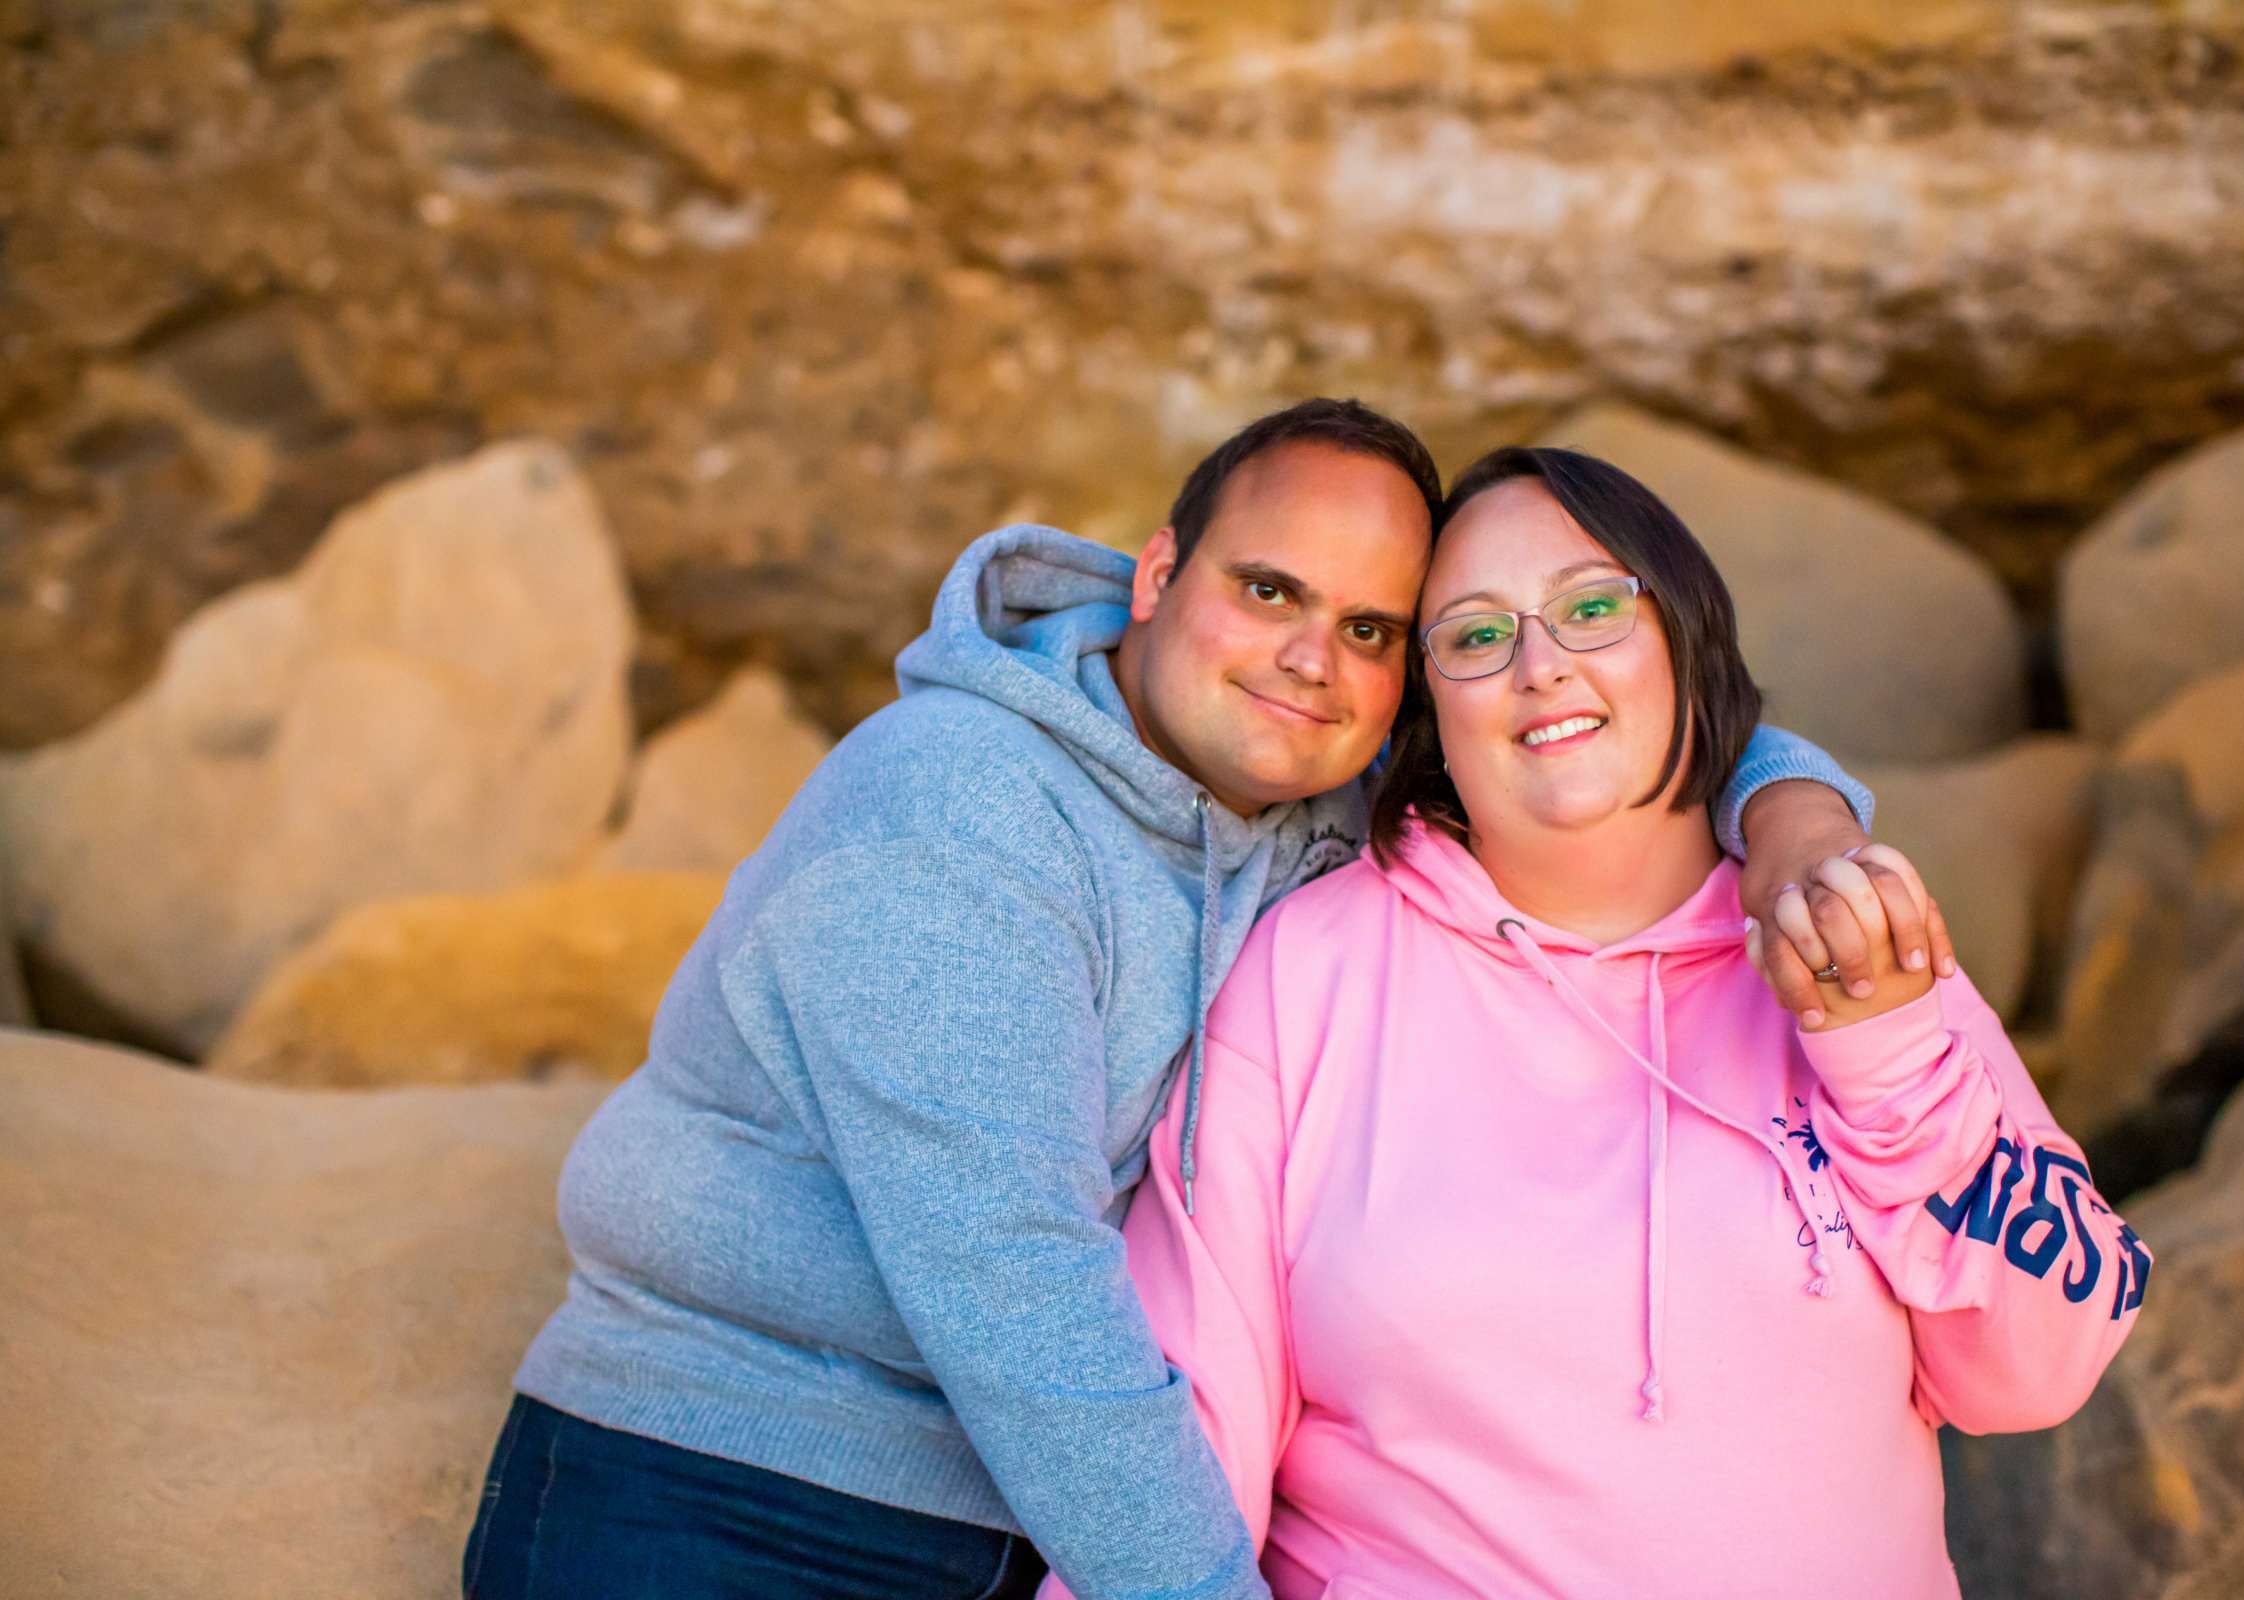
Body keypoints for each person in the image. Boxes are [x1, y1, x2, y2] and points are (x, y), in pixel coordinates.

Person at [463, 402, 1919, 1600]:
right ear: (1156, 576)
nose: (1309, 657)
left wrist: (1794, 813)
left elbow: (1609, 719)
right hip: (729, 1488)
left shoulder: (1326, 791)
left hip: (1036, 1524)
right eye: (1269, 590)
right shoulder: (958, 809)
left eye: (1370, 631)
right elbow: (1011, 1282)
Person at [1059, 446, 2153, 1599]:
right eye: (1479, 636)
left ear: (1685, 639)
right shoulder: (1307, 973)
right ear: (1428, 710)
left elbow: (2043, 1368)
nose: (1540, 665)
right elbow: (1182, 1450)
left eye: (1592, 608)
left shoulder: (1852, 940)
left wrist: (1886, 1055)